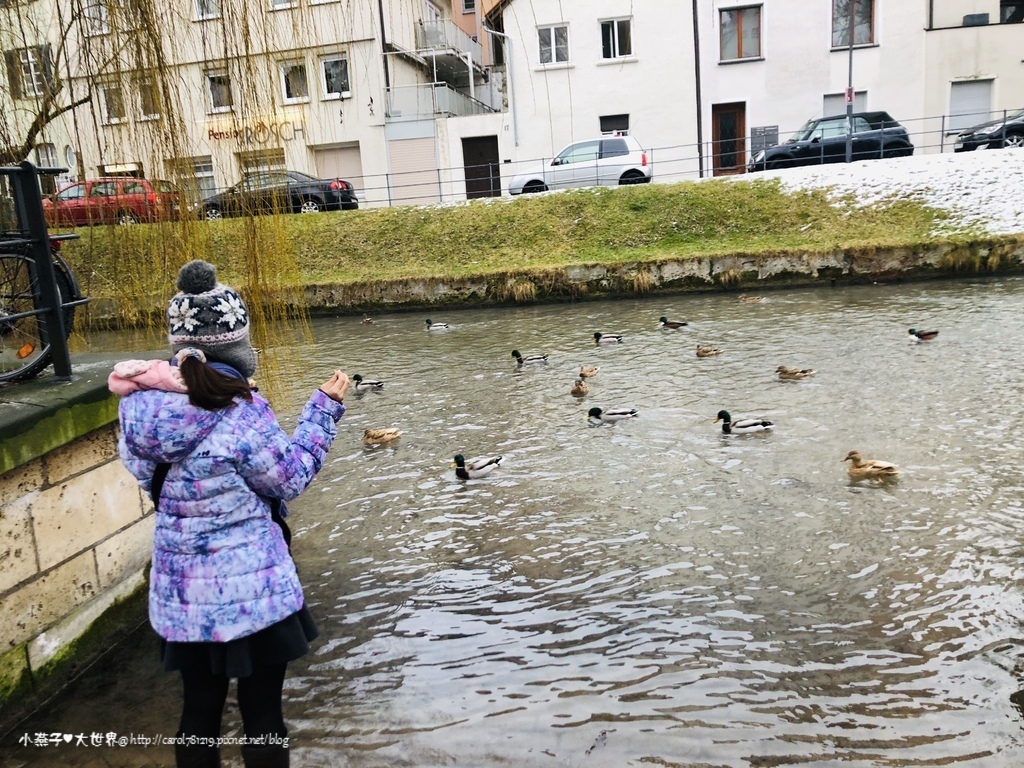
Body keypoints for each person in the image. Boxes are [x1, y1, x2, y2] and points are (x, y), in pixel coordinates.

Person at [112, 260, 349, 768]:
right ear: (238, 346)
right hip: (254, 592)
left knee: (197, 717)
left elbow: (141, 474)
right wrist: (322, 410)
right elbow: (288, 480)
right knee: (263, 719)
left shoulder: (137, 410)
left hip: (183, 594)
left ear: (178, 344)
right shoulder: (241, 411)